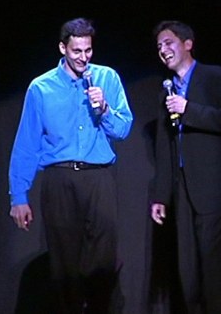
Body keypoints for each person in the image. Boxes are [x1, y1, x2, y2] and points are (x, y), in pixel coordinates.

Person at [8, 17, 133, 314]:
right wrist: (19, 197)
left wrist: (103, 109)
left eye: (88, 51)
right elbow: (26, 144)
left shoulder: (107, 78)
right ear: (63, 47)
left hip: (98, 178)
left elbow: (124, 128)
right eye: (77, 51)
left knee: (103, 261)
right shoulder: (41, 88)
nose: (83, 58)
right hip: (59, 179)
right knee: (64, 265)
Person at [150, 20, 221, 314]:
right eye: (159, 47)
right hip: (183, 188)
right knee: (188, 268)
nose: (163, 50)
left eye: (168, 43)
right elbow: (164, 146)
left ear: (188, 43)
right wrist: (160, 195)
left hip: (214, 187)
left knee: (213, 263)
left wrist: (189, 109)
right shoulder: (165, 91)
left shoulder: (214, 77)